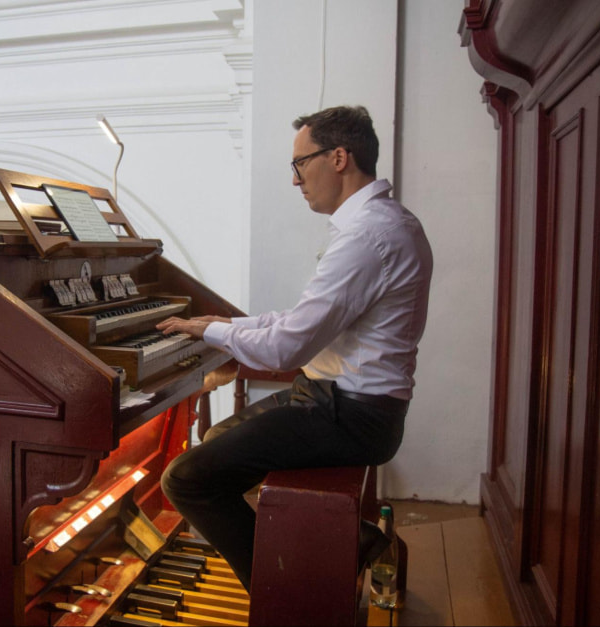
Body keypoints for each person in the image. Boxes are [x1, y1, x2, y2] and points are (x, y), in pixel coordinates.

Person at [156, 105, 433, 591]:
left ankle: (284, 592)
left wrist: (214, 334)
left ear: (339, 158)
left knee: (185, 479)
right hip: (339, 401)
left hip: (351, 416)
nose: (295, 179)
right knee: (217, 437)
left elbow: (286, 349)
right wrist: (225, 323)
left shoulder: (369, 236)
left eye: (301, 163)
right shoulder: (379, 224)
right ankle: (334, 541)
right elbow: (301, 320)